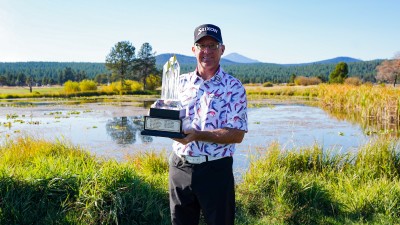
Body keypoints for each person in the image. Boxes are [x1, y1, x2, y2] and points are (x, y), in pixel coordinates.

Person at [169, 24, 248, 225]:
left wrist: (197, 135)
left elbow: (236, 135)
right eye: (201, 45)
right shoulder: (179, 83)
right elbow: (169, 120)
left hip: (216, 170)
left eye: (212, 45)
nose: (207, 51)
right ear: (193, 49)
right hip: (180, 167)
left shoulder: (234, 87)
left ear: (222, 49)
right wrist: (166, 127)